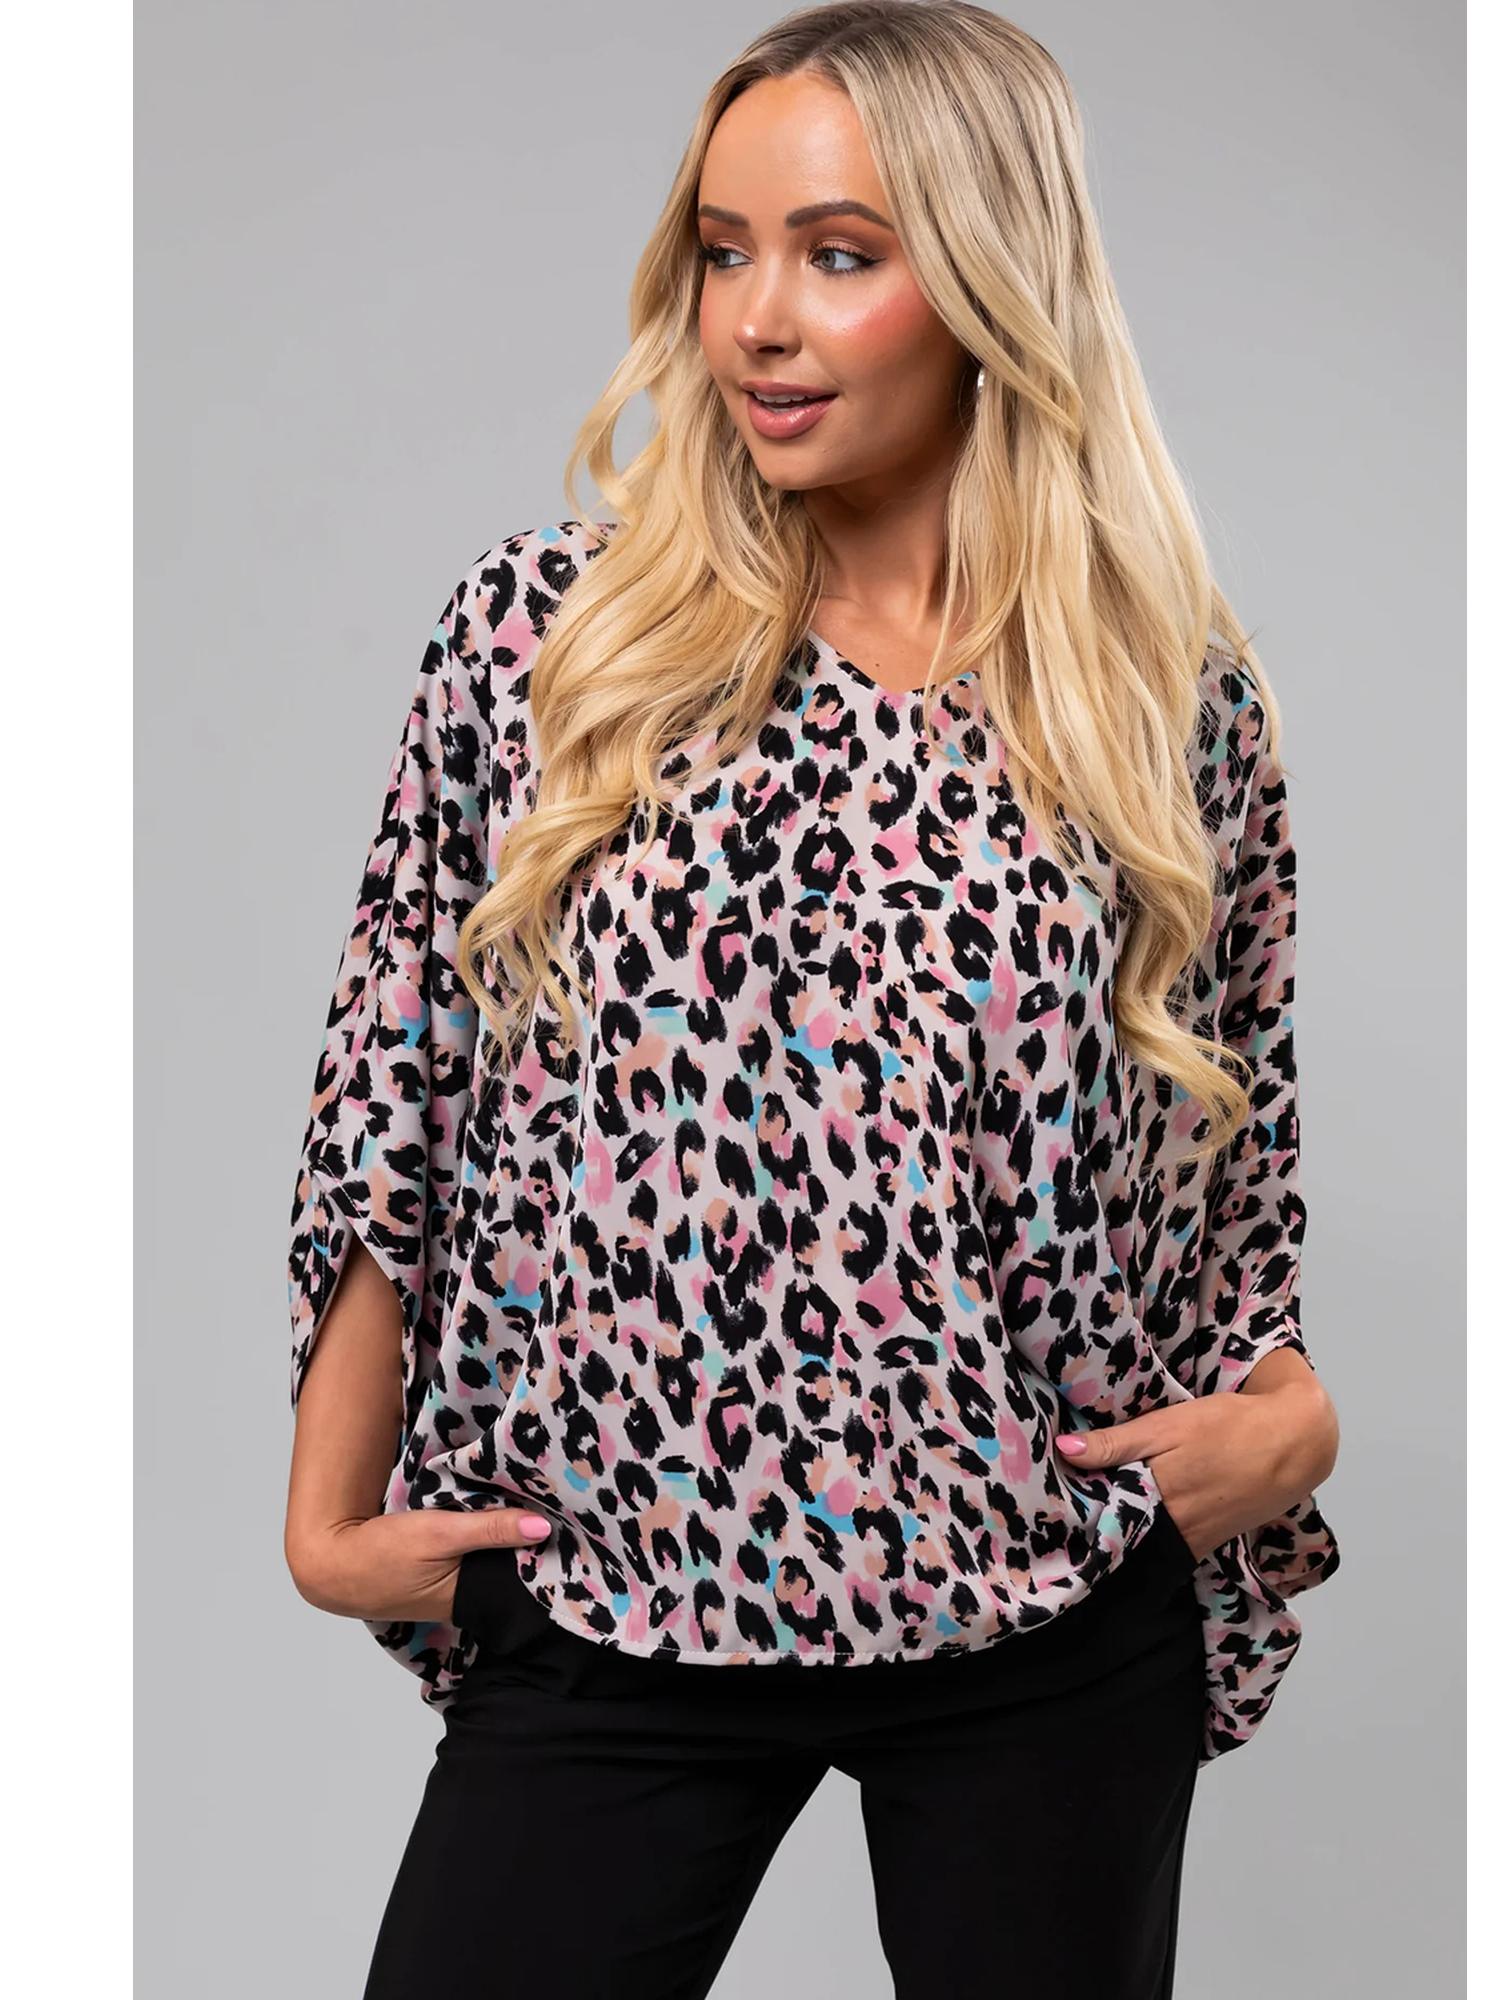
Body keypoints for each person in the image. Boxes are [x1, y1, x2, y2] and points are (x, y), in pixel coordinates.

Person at [282, 5, 1343, 1994]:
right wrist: (327, 1517)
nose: (758, 320)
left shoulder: (1154, 700)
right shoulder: (550, 640)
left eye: (839, 253)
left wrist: (1286, 1419)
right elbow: (387, 1083)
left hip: (1039, 1599)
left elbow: (1235, 1159)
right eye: (723, 250)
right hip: (614, 1580)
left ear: (989, 280)